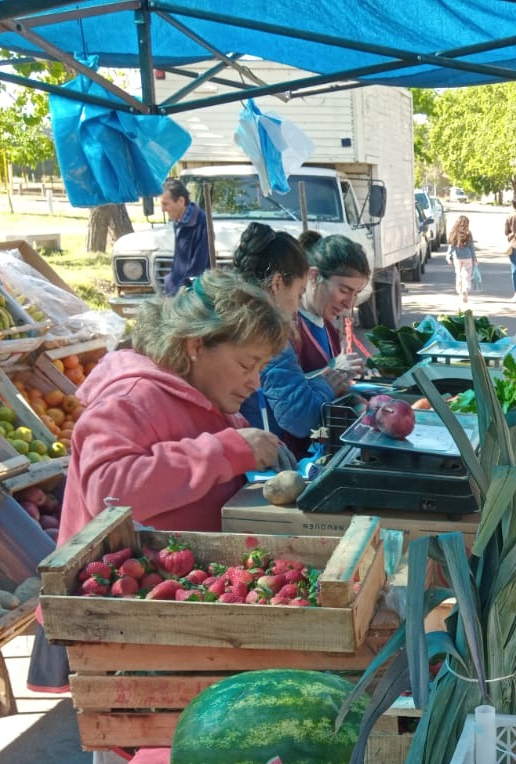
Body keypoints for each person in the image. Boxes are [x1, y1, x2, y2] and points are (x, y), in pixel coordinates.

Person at [25, 270, 288, 692]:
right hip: (110, 619)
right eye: (246, 364)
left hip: (165, 616)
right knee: (127, 745)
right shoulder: (130, 399)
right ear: (196, 345)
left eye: (261, 367)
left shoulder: (204, 395)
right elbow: (112, 491)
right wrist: (224, 450)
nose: (254, 382)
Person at [232, 223, 335, 457]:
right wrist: (326, 386)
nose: (298, 306)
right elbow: (298, 417)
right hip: (247, 462)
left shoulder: (233, 316)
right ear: (277, 283)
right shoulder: (262, 334)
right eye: (299, 294)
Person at [160, 178, 209, 296]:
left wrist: (176, 294)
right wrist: (169, 283)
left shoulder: (202, 224)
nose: (162, 209)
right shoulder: (178, 221)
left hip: (191, 297)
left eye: (165, 204)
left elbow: (197, 270)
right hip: (176, 290)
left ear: (181, 201)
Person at [446, 215, 479, 304]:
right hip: (467, 257)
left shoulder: (454, 233)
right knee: (467, 275)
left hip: (457, 257)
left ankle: (460, 292)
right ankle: (466, 289)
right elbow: (471, 247)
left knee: (458, 274)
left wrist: (448, 256)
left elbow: (451, 246)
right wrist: (474, 258)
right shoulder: (468, 233)